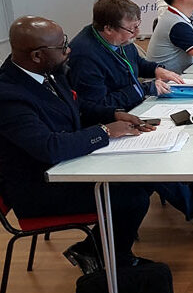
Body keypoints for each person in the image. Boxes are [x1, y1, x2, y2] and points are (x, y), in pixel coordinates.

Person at [68, 0, 193, 225]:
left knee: (186, 134)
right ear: (107, 28)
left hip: (134, 109)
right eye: (131, 29)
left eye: (137, 26)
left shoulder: (119, 40)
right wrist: (143, 88)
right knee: (157, 154)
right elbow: (95, 105)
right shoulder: (85, 55)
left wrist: (156, 70)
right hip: (108, 124)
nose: (136, 34)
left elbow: (136, 64)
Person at [0, 16, 156, 272]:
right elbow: (49, 146)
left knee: (143, 180)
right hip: (40, 187)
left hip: (70, 166)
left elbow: (76, 107)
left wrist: (113, 114)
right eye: (61, 47)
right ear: (37, 55)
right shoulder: (9, 96)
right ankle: (116, 263)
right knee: (131, 197)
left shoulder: (46, 70)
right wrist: (106, 131)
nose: (68, 50)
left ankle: (92, 251)